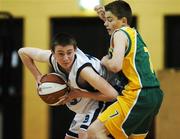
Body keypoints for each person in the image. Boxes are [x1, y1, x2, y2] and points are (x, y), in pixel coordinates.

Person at [18, 33, 124, 139]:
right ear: (53, 53)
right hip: (91, 99)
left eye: (69, 53)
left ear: (75, 50)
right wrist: (37, 76)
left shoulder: (84, 71)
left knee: (85, 135)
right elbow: (22, 52)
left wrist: (79, 93)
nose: (66, 58)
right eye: (60, 54)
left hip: (110, 95)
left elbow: (113, 95)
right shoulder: (52, 58)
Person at [86, 1, 164, 139]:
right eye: (106, 20)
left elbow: (116, 66)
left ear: (123, 20)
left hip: (137, 94)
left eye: (110, 20)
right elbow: (117, 22)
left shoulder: (119, 33)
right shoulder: (132, 33)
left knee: (95, 131)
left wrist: (105, 61)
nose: (105, 23)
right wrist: (107, 17)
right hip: (153, 95)